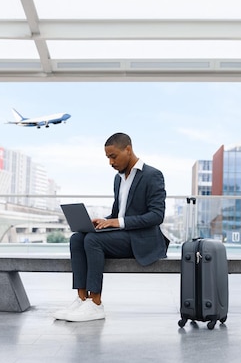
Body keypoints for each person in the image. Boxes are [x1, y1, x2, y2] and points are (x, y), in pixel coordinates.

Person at [55, 132, 169, 322]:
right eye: (108, 157)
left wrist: (118, 222)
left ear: (128, 150)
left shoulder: (152, 175)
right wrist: (104, 221)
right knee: (77, 238)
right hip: (123, 235)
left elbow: (157, 216)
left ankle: (96, 304)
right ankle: (82, 299)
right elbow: (117, 214)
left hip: (142, 240)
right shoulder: (118, 179)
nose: (110, 162)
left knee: (92, 240)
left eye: (113, 156)